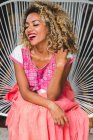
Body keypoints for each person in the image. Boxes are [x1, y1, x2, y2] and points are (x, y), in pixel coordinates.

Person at [5, 1, 89, 140]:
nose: (29, 29)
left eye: (35, 24)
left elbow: (52, 95)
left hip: (55, 93)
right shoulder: (20, 52)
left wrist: (60, 65)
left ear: (51, 27)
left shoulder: (64, 55)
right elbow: (25, 92)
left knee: (53, 117)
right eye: (26, 26)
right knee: (32, 114)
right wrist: (51, 106)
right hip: (28, 97)